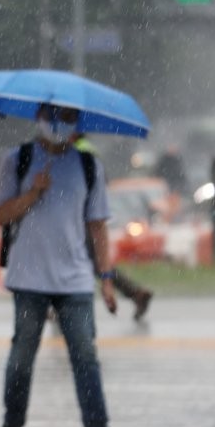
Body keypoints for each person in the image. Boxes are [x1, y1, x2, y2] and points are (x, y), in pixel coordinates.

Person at [0, 104, 116, 427]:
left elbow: (98, 227)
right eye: (52, 115)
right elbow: (1, 214)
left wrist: (106, 278)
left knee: (85, 356)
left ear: (78, 123)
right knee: (21, 357)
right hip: (28, 278)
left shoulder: (89, 166)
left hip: (75, 280)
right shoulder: (15, 160)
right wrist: (32, 193)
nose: (59, 124)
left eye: (68, 117)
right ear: (39, 119)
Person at [73, 134, 154, 321]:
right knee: (93, 260)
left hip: (80, 217)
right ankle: (135, 293)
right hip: (85, 215)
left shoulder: (75, 151)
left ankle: (135, 292)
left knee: (89, 260)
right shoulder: (88, 149)